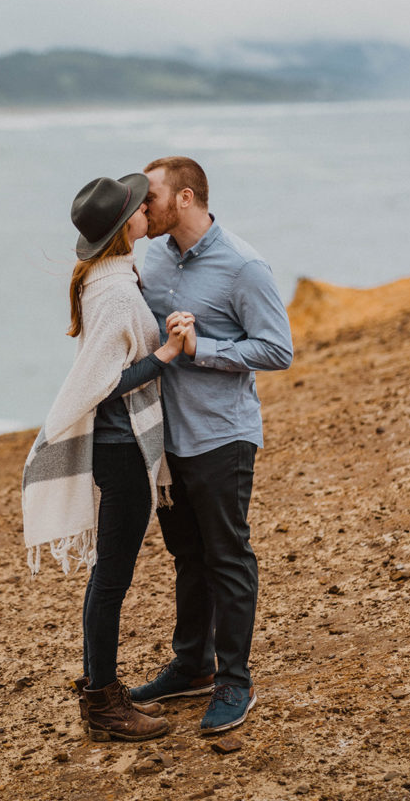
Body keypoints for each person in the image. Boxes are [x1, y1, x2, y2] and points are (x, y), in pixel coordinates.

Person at [21, 173, 192, 743]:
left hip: (118, 449)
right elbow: (107, 381)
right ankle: (103, 705)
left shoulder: (106, 277)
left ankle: (102, 694)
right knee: (111, 580)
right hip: (122, 453)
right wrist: (165, 353)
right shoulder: (116, 290)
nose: (149, 208)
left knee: (108, 578)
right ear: (126, 229)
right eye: (139, 207)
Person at [129, 156, 293, 735]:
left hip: (222, 436)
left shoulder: (243, 266)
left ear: (186, 198)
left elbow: (277, 350)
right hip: (167, 443)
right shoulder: (154, 256)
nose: (139, 205)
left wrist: (203, 348)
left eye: (149, 196)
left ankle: (234, 682)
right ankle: (191, 665)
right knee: (187, 556)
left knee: (227, 557)